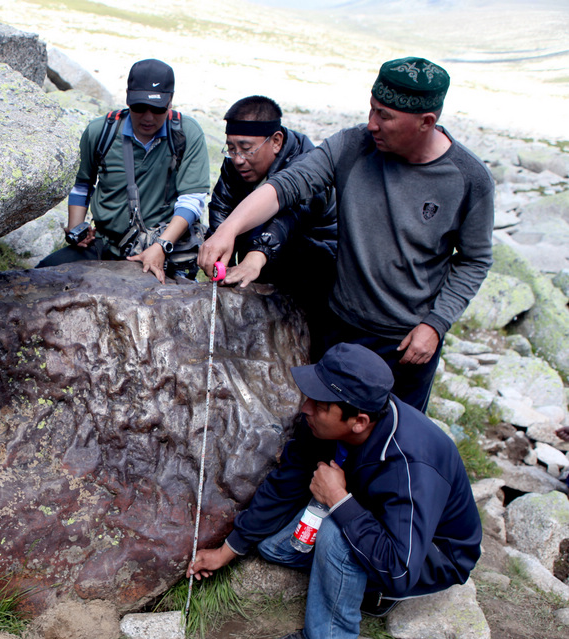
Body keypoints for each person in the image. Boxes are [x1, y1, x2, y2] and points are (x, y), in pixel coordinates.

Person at [199, 58, 495, 412]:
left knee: (390, 446)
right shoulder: (353, 146)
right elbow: (288, 187)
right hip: (340, 326)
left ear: (425, 122)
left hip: (406, 341)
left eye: (384, 116)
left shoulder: (468, 179)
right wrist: (229, 229)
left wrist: (435, 325)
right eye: (371, 110)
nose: (371, 124)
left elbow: (475, 260)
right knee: (323, 428)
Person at [187, 342, 482, 639]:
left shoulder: (411, 465)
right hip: (372, 514)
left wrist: (339, 501)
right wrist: (228, 550)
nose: (306, 408)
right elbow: (287, 484)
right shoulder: (326, 423)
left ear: (358, 421)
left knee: (334, 534)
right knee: (273, 546)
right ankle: (359, 585)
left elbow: (400, 569)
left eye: (320, 403)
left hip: (428, 556)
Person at [37, 58, 210, 284]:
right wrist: (76, 228)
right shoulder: (101, 131)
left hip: (163, 248)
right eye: (138, 107)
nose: (148, 117)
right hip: (105, 243)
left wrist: (162, 246)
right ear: (128, 97)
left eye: (157, 109)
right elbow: (82, 184)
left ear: (170, 101)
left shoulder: (186, 134)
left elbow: (192, 199)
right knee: (42, 274)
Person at [208, 95, 337, 357]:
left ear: (276, 141)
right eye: (231, 149)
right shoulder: (236, 166)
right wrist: (217, 248)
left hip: (316, 266)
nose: (238, 159)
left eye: (246, 148)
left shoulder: (310, 165)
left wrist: (257, 255)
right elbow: (222, 204)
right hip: (265, 261)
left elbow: (291, 215)